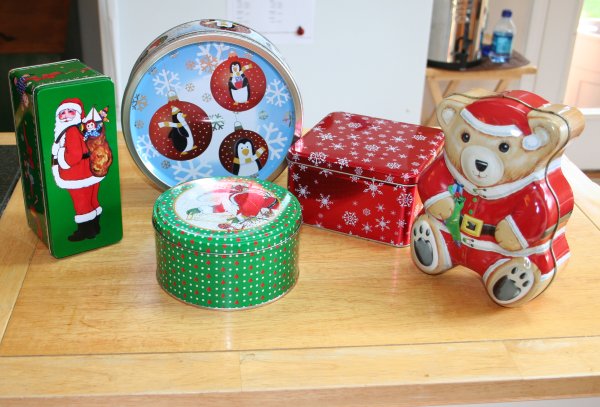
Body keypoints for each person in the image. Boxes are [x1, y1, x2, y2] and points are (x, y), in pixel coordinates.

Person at [51, 98, 104, 241]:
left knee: (81, 203)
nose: (66, 115)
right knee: (92, 200)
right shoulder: (78, 129)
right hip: (89, 172)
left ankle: (85, 232)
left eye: (70, 111)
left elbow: (74, 155)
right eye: (62, 113)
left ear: (78, 114)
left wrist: (60, 156)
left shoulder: (70, 131)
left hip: (76, 175)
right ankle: (95, 228)